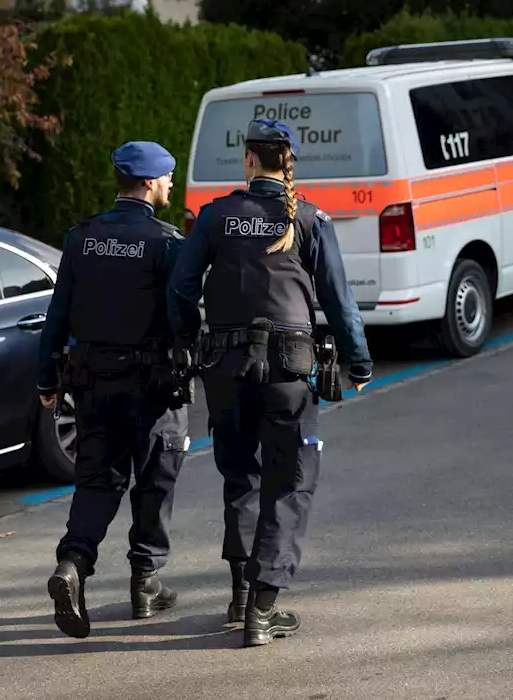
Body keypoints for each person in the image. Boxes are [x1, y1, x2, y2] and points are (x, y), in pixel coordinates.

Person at [167, 118, 373, 647]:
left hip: (225, 370)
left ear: (250, 161)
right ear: (289, 163)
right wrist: (359, 363)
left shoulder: (215, 217)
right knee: (289, 483)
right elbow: (339, 301)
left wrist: (191, 338)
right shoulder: (309, 219)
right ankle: (262, 608)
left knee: (241, 479)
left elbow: (181, 287)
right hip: (289, 370)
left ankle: (241, 593)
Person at [38, 141, 191, 639]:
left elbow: (56, 317)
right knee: (155, 475)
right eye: (167, 178)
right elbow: (183, 316)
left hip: (91, 384)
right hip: (149, 387)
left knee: (97, 481)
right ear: (149, 183)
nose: (171, 184)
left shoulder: (82, 238)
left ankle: (73, 565)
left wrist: (47, 381)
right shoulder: (165, 243)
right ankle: (145, 581)